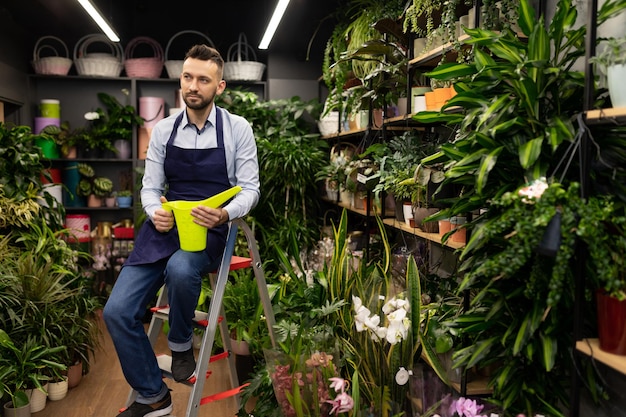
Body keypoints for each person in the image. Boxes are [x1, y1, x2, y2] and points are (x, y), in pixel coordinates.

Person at [103, 44, 260, 417]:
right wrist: (155, 211)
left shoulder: (237, 129)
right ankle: (153, 395)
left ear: (219, 86)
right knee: (116, 311)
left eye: (203, 79)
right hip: (166, 226)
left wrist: (223, 214)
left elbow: (250, 188)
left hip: (210, 229)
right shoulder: (163, 130)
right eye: (188, 77)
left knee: (180, 267)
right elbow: (150, 187)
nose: (193, 85)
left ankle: (180, 344)